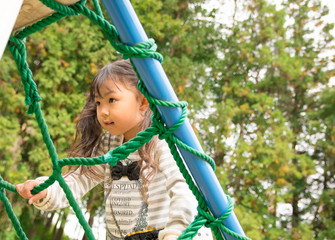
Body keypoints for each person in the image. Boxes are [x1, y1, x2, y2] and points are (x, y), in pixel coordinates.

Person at [16, 60, 213, 240]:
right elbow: (79, 179)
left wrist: (176, 231)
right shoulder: (109, 144)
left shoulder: (161, 140)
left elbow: (184, 188)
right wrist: (45, 189)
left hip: (171, 233)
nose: (103, 111)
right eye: (98, 103)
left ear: (143, 102)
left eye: (112, 100)